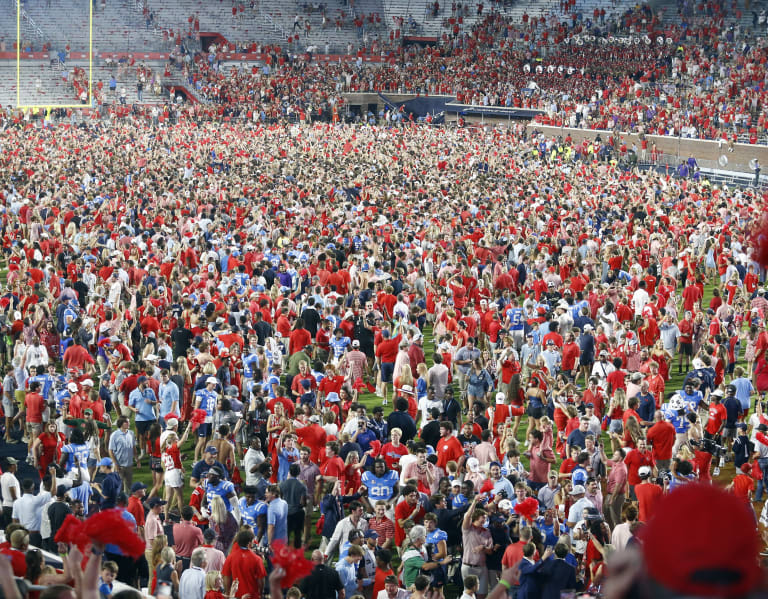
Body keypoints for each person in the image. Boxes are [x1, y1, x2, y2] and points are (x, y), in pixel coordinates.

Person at [222, 530, 267, 599]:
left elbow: (226, 576)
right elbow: (261, 579)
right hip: (252, 595)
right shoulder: (257, 559)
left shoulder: (230, 557)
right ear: (249, 543)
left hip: (236, 595)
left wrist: (228, 592)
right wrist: (260, 593)